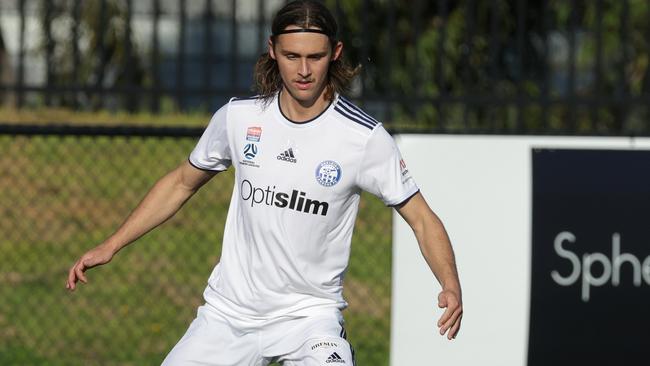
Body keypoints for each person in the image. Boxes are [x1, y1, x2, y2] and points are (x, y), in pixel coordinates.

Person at [66, 1, 463, 364]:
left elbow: (423, 219)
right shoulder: (239, 119)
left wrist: (449, 283)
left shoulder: (364, 138)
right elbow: (181, 184)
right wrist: (111, 244)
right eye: (292, 56)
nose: (303, 70)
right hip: (227, 316)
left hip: (309, 321)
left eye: (315, 57)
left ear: (336, 54)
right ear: (272, 50)